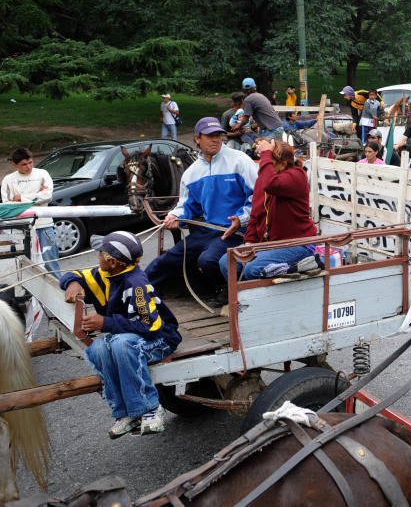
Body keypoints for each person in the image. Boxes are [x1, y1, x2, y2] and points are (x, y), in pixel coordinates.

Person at [61, 231, 181, 437]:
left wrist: (105, 322)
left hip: (160, 339)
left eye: (100, 254)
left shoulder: (136, 284)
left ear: (113, 262)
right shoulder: (106, 274)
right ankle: (126, 412)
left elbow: (150, 326)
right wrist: (72, 283)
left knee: (121, 345)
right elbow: (75, 275)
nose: (97, 257)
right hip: (130, 335)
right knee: (98, 349)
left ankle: (150, 408)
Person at [145, 118, 258, 306]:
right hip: (207, 231)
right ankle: (139, 292)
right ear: (197, 138)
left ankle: (226, 290)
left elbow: (257, 196)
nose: (215, 140)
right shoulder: (192, 173)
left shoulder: (240, 161)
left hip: (235, 231)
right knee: (166, 260)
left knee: (208, 260)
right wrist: (175, 216)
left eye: (218, 136)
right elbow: (186, 205)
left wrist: (241, 219)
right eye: (209, 136)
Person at [219, 139, 317, 281]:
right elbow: (255, 216)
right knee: (228, 262)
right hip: (268, 245)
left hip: (297, 244)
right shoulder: (264, 180)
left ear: (284, 164)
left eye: (269, 162)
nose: (264, 166)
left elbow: (271, 184)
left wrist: (266, 153)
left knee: (253, 269)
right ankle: (243, 301)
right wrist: (249, 243)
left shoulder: (297, 176)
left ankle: (300, 266)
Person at [2, 148, 59, 272]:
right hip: (20, 228)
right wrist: (37, 195)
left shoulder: (42, 174)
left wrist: (21, 198)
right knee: (25, 265)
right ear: (14, 165)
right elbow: (7, 205)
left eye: (30, 162)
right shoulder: (8, 179)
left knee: (51, 265)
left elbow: (47, 195)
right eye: (24, 164)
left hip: (44, 226)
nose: (28, 167)